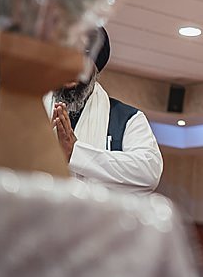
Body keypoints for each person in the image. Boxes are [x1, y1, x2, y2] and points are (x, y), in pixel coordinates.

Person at [45, 27, 164, 195]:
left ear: (94, 69)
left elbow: (149, 172)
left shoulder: (127, 119)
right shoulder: (32, 107)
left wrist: (76, 153)